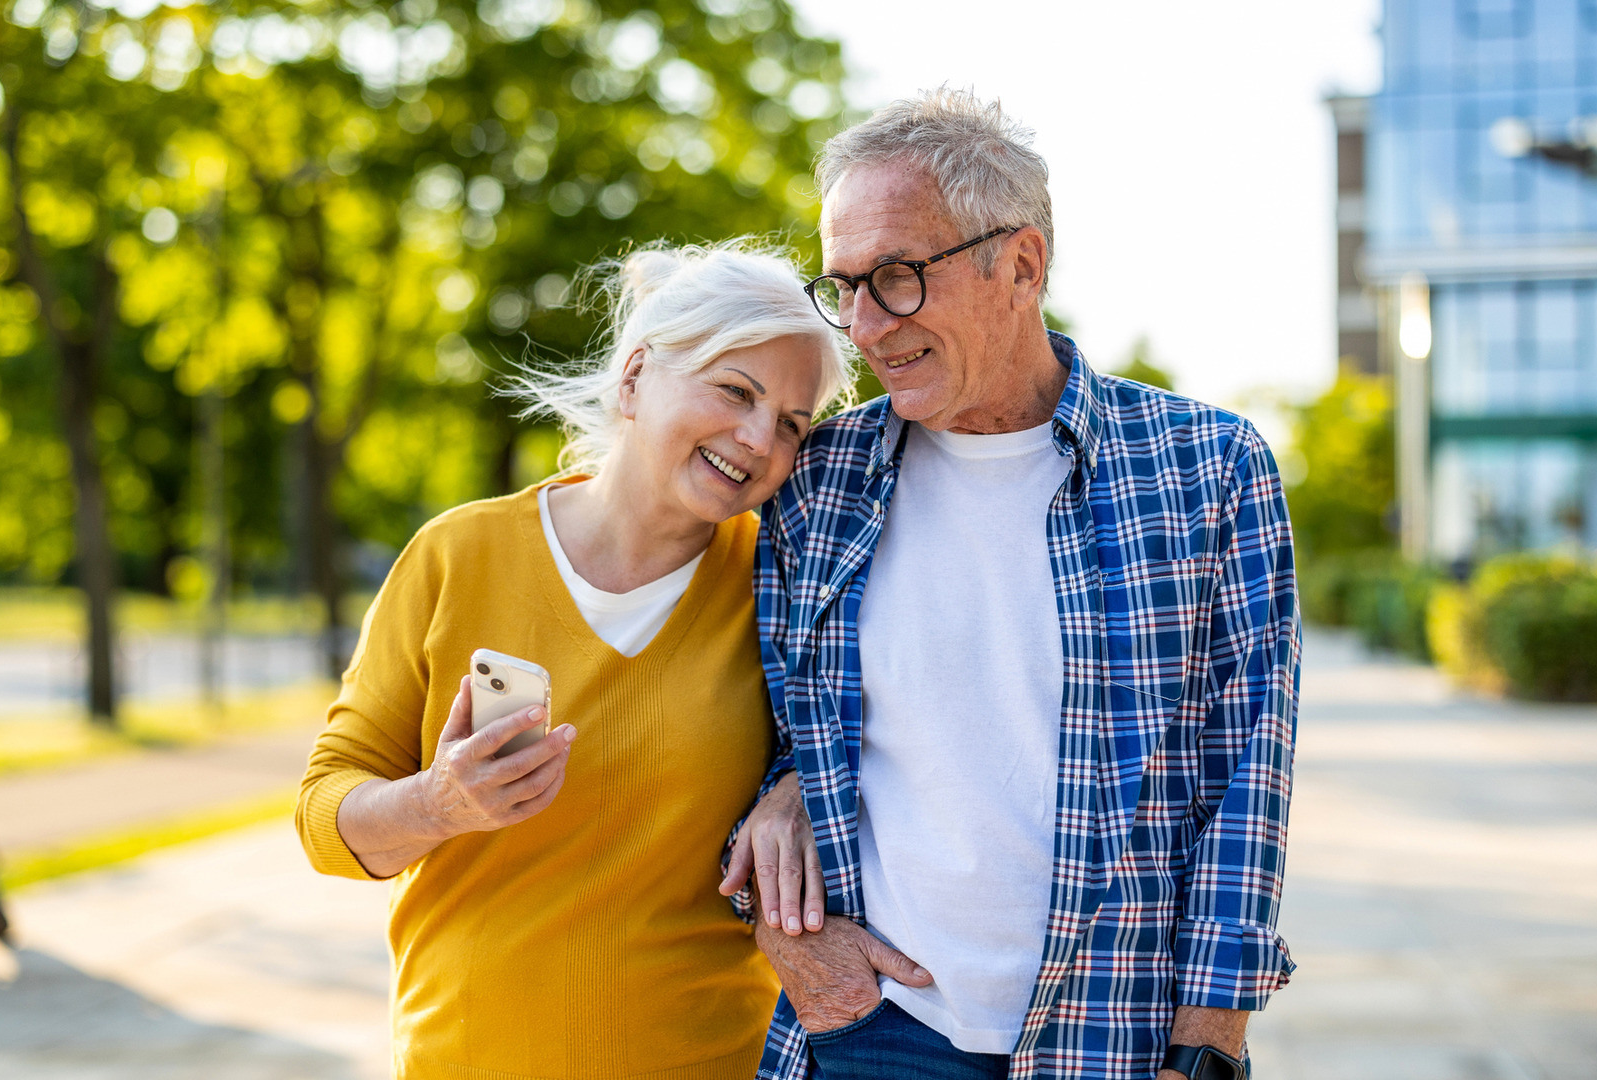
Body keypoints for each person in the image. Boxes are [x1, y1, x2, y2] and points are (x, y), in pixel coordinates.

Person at [743, 88, 1299, 1080]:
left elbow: (1245, 776)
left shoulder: (1207, 469)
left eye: (899, 277)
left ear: (1023, 263)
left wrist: (1209, 1048)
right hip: (875, 1030)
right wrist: (781, 882)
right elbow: (734, 716)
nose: (865, 326)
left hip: (1117, 1038)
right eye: (846, 287)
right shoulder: (812, 480)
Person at [297, 241, 855, 1079]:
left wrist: (800, 788)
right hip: (465, 1057)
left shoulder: (784, 590)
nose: (756, 439)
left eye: (790, 424)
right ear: (633, 377)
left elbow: (885, 750)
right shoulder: (459, 555)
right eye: (735, 391)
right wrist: (440, 803)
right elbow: (323, 821)